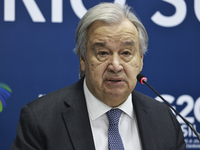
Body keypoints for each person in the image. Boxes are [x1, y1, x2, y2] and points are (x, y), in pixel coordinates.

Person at [11, 2, 186, 150]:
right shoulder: (40, 120)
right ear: (83, 59)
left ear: (140, 61)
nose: (116, 65)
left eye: (126, 52)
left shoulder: (165, 119)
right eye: (103, 53)